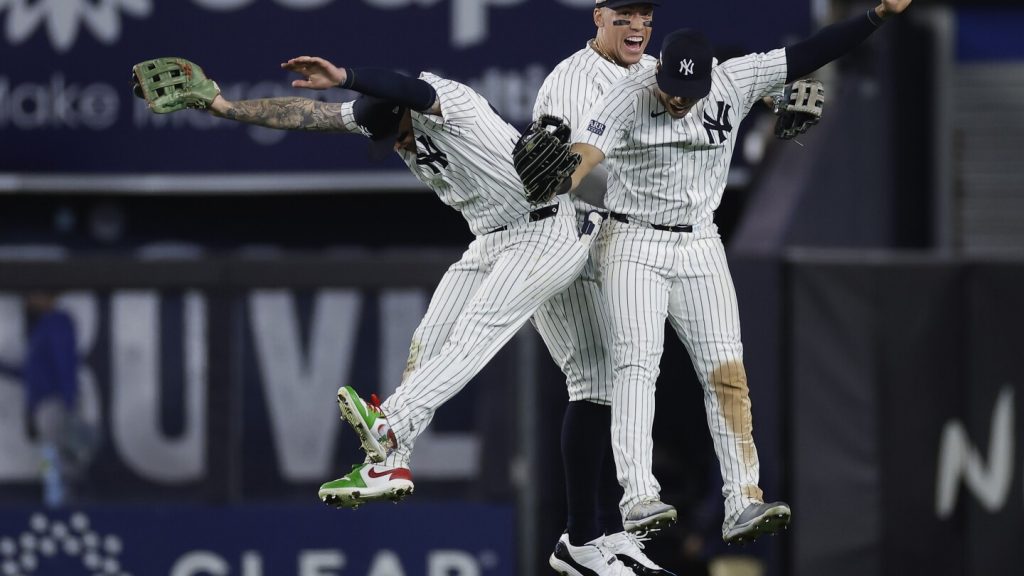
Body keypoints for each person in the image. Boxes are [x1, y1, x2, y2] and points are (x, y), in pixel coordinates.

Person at [551, 0, 913, 545]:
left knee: (727, 370)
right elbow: (585, 153)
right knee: (635, 366)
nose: (676, 98)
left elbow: (812, 52)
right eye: (670, 85)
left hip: (700, 241)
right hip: (631, 238)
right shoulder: (628, 93)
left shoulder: (735, 79)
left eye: (686, 91)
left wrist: (877, 15)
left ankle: (744, 499)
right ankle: (637, 496)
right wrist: (557, 178)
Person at [531, 2, 673, 575]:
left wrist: (768, 101)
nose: (637, 25)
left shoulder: (652, 70)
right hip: (562, 234)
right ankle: (582, 539)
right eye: (625, 14)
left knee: (618, 380)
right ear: (598, 16)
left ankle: (601, 533)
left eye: (646, 14)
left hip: (613, 238)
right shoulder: (570, 82)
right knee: (593, 380)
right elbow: (557, 176)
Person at [0, 291, 82, 508]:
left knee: (55, 452)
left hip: (54, 401)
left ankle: (57, 498)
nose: (29, 301)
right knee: (50, 452)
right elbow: (31, 372)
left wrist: (69, 400)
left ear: (48, 297)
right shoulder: (41, 327)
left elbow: (64, 362)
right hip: (43, 403)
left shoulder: (57, 322)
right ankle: (55, 495)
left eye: (34, 295)